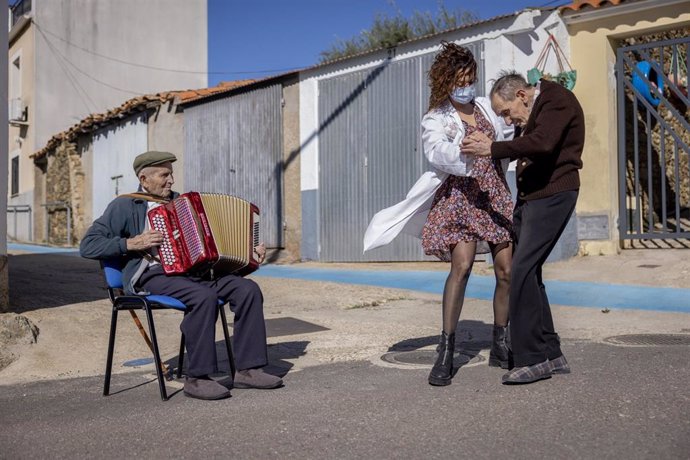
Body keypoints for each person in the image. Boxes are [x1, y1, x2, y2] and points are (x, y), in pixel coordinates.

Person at [363, 42, 513, 386]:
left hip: (494, 193)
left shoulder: (486, 109)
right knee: (461, 267)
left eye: (471, 77)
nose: (467, 84)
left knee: (506, 270)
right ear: (447, 81)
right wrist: (468, 149)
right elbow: (436, 152)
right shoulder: (435, 116)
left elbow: (506, 136)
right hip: (460, 196)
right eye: (460, 78)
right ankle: (446, 349)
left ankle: (501, 342)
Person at [80, 150, 282, 400]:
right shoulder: (124, 205)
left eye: (171, 174)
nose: (171, 180)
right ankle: (197, 378)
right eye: (164, 175)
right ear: (144, 179)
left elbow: (212, 248)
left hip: (195, 274)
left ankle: (248, 370)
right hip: (153, 275)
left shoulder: (184, 203)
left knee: (247, 289)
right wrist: (131, 243)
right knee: (203, 297)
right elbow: (88, 245)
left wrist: (250, 253)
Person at [462, 71, 585, 384]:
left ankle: (534, 357)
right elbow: (526, 145)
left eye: (506, 112)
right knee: (528, 271)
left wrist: (492, 148)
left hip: (555, 194)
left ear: (520, 95)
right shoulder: (534, 109)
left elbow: (542, 144)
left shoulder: (556, 99)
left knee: (522, 271)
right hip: (532, 198)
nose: (507, 120)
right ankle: (552, 354)